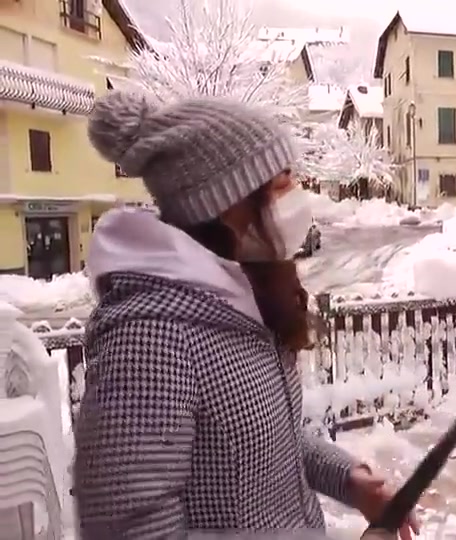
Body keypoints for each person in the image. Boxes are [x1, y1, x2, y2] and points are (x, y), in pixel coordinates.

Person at [73, 91, 419, 539]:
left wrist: (350, 481)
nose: (297, 199)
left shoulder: (242, 299)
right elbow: (129, 530)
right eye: (280, 185)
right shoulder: (149, 340)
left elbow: (262, 441)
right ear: (225, 205)